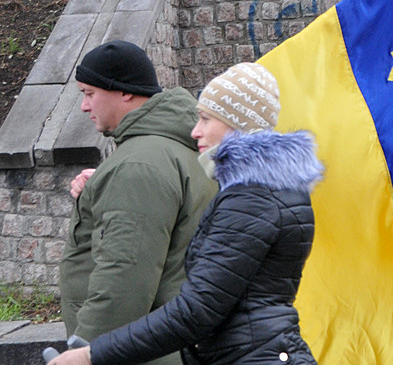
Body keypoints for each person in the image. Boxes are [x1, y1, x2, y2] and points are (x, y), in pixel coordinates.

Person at [50, 62, 323, 365]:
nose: (195, 131)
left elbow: (197, 311)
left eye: (206, 119)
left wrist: (92, 354)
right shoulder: (267, 188)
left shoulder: (251, 198)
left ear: (236, 123)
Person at [59, 41, 218, 365]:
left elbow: (124, 280)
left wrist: (85, 351)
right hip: (176, 342)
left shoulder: (138, 166)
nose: (84, 107)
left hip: (142, 352)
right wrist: (101, 187)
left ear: (124, 92)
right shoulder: (176, 149)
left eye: (89, 93)